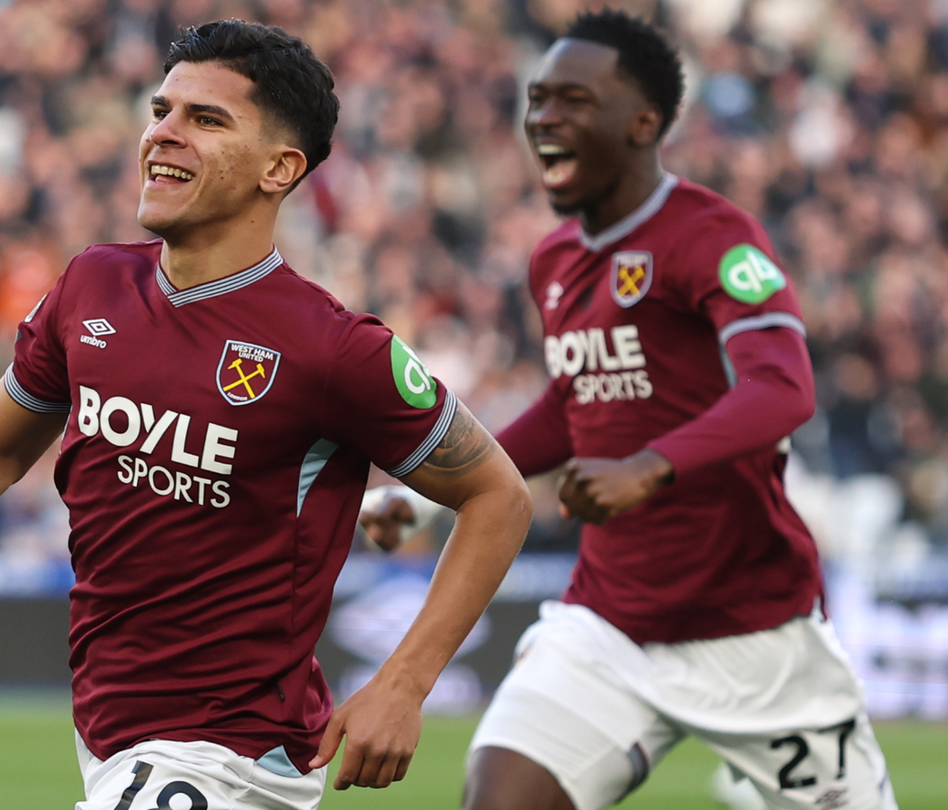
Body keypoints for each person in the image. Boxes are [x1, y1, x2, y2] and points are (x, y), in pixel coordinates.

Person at [0, 20, 531, 810]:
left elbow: (498, 494)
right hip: (110, 730)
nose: (164, 133)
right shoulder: (92, 287)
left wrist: (404, 683)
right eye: (162, 110)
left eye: (206, 119)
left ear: (280, 168)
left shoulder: (333, 349)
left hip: (224, 751)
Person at [361, 11, 897, 810]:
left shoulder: (716, 237)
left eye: (573, 100)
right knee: (498, 798)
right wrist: (433, 491)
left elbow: (784, 388)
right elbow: (571, 403)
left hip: (753, 632)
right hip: (608, 625)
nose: (544, 118)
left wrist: (650, 467)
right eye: (538, 99)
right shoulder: (554, 260)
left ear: (644, 122)